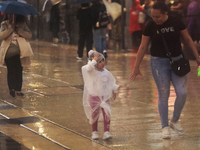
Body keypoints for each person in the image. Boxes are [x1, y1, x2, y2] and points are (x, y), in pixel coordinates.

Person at [129, 3, 200, 139]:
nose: (155, 19)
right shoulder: (150, 26)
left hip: (177, 61)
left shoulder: (176, 22)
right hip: (158, 63)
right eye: (153, 16)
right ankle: (164, 126)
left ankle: (174, 120)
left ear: (166, 13)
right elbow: (143, 47)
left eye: (158, 16)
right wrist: (136, 66)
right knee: (163, 93)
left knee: (182, 92)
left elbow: (188, 39)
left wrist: (197, 57)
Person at [82, 50, 119, 140]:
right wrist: (94, 61)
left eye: (103, 61)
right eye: (100, 61)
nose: (103, 63)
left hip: (104, 96)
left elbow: (110, 81)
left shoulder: (105, 72)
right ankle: (94, 132)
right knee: (94, 114)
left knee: (107, 113)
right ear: (94, 63)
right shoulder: (91, 71)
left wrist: (114, 90)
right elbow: (89, 68)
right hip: (94, 96)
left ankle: (106, 132)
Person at [0, 14, 32, 97]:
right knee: (11, 71)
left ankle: (18, 89)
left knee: (19, 70)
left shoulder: (22, 24)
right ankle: (12, 89)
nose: (12, 16)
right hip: (8, 51)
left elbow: (29, 34)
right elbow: (1, 36)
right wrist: (11, 28)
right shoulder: (4, 24)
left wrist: (19, 31)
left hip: (20, 51)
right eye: (10, 14)